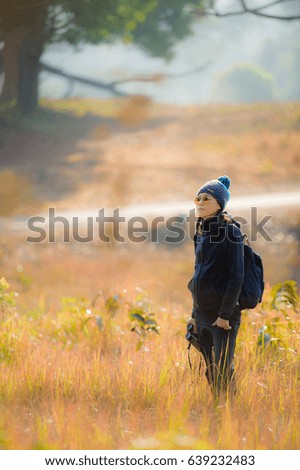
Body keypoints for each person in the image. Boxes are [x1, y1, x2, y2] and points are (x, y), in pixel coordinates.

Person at [187, 175, 244, 397]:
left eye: (206, 198)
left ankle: (232, 415)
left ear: (219, 204)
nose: (200, 202)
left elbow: (236, 277)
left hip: (223, 318)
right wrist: (194, 314)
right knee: (211, 372)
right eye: (197, 198)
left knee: (222, 371)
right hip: (202, 315)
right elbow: (198, 275)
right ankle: (219, 415)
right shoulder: (200, 231)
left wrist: (225, 315)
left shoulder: (231, 232)